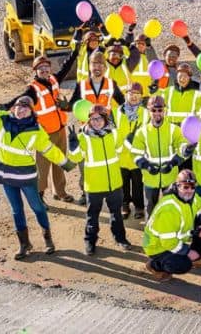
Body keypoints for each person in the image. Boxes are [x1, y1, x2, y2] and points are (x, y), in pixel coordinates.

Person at [0, 81, 74, 259]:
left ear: (31, 112)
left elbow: (49, 149)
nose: (21, 110)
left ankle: (48, 239)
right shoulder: (0, 121)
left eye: (25, 108)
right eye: (19, 107)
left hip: (26, 177)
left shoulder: (36, 131)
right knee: (16, 210)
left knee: (37, 208)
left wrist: (65, 162)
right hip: (6, 176)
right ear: (13, 108)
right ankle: (24, 244)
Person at [0, 54, 72, 204]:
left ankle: (60, 192)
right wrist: (7, 106)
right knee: (42, 168)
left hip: (60, 130)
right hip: (45, 135)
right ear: (35, 71)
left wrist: (76, 50)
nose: (44, 70)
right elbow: (22, 97)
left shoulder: (54, 80)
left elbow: (67, 65)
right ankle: (39, 196)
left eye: (46, 67)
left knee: (60, 162)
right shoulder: (33, 89)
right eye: (40, 68)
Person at [69, 105, 133, 255]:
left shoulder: (114, 134)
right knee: (92, 216)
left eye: (99, 118)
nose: (96, 122)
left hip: (114, 183)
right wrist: (73, 147)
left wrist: (129, 142)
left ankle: (120, 239)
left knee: (116, 214)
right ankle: (90, 241)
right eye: (93, 119)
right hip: (94, 184)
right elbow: (76, 158)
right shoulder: (82, 137)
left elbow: (121, 151)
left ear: (105, 119)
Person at [143, 169, 201, 282]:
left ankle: (195, 257)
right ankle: (155, 265)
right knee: (183, 265)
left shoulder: (192, 197)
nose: (189, 190)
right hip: (157, 246)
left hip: (175, 239)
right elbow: (168, 243)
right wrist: (188, 252)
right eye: (185, 187)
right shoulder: (169, 209)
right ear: (177, 186)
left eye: (192, 187)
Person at [130, 95, 187, 212]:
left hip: (170, 177)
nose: (157, 113)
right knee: (150, 209)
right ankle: (150, 230)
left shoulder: (174, 130)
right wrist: (146, 165)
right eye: (153, 110)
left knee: (171, 208)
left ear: (165, 110)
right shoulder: (142, 132)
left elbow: (182, 149)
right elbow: (136, 153)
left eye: (160, 110)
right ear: (149, 111)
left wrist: (173, 163)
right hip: (150, 178)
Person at [113, 81, 148, 220]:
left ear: (141, 96)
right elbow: (113, 133)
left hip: (137, 156)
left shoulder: (145, 113)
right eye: (131, 93)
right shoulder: (116, 112)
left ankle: (139, 206)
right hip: (121, 155)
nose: (134, 97)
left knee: (139, 184)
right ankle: (124, 204)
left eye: (137, 94)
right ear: (126, 95)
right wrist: (122, 146)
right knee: (123, 183)